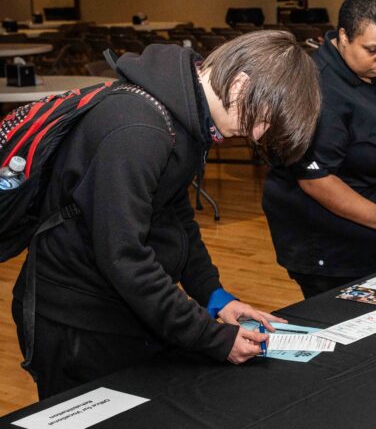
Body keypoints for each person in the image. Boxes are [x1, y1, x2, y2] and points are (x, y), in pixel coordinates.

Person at [13, 32, 322, 399]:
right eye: (264, 121)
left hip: (123, 310)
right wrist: (212, 337)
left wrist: (214, 296)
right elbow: (125, 258)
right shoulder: (139, 129)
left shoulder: (186, 119)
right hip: (77, 322)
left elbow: (176, 219)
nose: (256, 136)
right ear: (240, 84)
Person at [264, 0, 376, 299]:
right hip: (333, 247)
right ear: (344, 36)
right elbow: (316, 181)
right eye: (373, 49)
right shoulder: (318, 88)